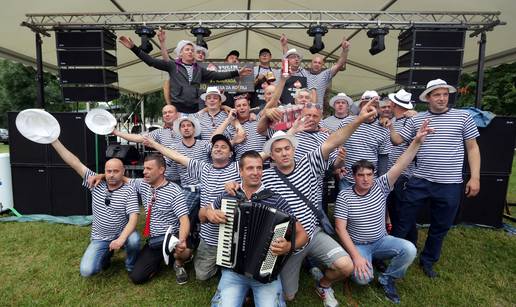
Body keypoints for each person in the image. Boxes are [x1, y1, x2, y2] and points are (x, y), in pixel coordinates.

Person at [229, 102, 377, 306]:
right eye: (278, 150)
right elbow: (244, 174)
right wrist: (233, 184)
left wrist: (359, 118)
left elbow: (333, 141)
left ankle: (323, 285)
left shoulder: (309, 163)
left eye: (287, 148)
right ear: (271, 156)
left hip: (313, 234)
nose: (284, 153)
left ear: (293, 149)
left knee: (345, 266)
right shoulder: (265, 176)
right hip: (287, 242)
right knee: (289, 296)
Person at [389, 79, 481, 278]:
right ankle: (395, 254)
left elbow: (472, 148)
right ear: (428, 98)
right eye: (437, 94)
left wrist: (475, 178)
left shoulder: (463, 117)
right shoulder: (416, 119)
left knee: (440, 226)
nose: (442, 98)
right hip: (419, 180)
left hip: (450, 184)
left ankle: (428, 261)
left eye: (445, 94)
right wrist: (392, 124)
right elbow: (397, 141)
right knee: (403, 221)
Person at [334, 120, 432, 304]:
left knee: (409, 249)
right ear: (353, 176)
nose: (365, 179)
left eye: (369, 174)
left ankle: (388, 278)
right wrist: (356, 256)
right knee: (363, 279)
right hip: (359, 245)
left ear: (374, 175)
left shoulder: (381, 186)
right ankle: (363, 262)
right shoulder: (345, 196)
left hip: (381, 240)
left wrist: (417, 141)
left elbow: (401, 164)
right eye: (361, 175)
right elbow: (340, 229)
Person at [211, 151, 308, 307]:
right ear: (241, 171)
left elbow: (303, 234)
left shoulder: (276, 199)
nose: (256, 173)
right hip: (232, 270)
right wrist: (210, 212)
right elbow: (203, 213)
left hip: (264, 271)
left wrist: (289, 246)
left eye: (259, 168)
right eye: (250, 168)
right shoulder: (228, 195)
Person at [144, 134, 242, 281]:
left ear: (231, 153)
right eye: (215, 146)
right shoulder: (203, 168)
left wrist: (237, 184)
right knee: (202, 275)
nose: (219, 149)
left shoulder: (238, 167)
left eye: (223, 147)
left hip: (233, 233)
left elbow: (261, 161)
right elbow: (176, 156)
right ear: (211, 151)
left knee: (235, 267)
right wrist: (154, 144)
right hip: (209, 235)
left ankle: (228, 266)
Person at [50, 139, 140, 277]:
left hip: (122, 233)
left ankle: (130, 265)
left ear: (123, 171)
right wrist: (54, 141)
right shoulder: (95, 183)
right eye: (108, 171)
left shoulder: (129, 189)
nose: (111, 174)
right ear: (104, 171)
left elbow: (134, 218)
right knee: (87, 271)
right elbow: (74, 162)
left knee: (134, 240)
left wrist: (121, 239)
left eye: (116, 171)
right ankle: (107, 254)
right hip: (100, 238)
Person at [119, 37, 252, 113]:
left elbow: (218, 75)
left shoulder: (199, 69)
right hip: (178, 109)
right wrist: (133, 48)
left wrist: (237, 72)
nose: (190, 52)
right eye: (187, 50)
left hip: (196, 110)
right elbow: (151, 61)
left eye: (192, 50)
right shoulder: (172, 65)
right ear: (180, 53)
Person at [128, 154, 192, 285]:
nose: (144, 172)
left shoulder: (174, 191)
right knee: (137, 277)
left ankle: (179, 263)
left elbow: (184, 220)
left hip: (172, 238)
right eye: (144, 168)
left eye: (149, 168)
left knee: (183, 250)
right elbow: (123, 179)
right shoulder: (143, 184)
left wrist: (182, 241)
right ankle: (159, 261)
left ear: (161, 170)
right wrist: (102, 176)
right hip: (155, 240)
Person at [336, 92, 390, 190]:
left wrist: (382, 183)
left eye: (374, 106)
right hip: (347, 179)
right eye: (366, 105)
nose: (370, 108)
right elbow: (336, 145)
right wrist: (338, 166)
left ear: (378, 109)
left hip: (371, 182)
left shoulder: (384, 128)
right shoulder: (346, 122)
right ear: (360, 107)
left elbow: (383, 158)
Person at [384, 89, 418, 244]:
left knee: (402, 212)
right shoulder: (396, 120)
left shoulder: (411, 120)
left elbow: (397, 141)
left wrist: (416, 115)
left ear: (393, 104)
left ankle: (405, 244)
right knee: (395, 210)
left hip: (404, 175)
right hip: (393, 174)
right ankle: (406, 243)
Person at [113, 104, 180, 183]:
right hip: (167, 178)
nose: (167, 114)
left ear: (177, 114)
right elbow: (138, 138)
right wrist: (116, 132)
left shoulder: (186, 128)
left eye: (170, 112)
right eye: (164, 113)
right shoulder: (160, 132)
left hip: (186, 180)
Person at [280, 34, 350, 105]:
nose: (317, 64)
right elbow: (290, 60)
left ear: (322, 65)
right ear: (311, 64)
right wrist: (284, 45)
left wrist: (345, 50)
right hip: (303, 109)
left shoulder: (325, 75)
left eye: (319, 63)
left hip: (318, 111)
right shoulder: (304, 73)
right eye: (315, 62)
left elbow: (339, 64)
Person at [213, 95, 267, 161]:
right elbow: (214, 140)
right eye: (238, 106)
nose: (242, 108)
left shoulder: (258, 120)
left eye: (244, 105)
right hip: (242, 165)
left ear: (249, 107)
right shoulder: (231, 127)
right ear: (235, 109)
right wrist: (229, 119)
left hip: (263, 163)